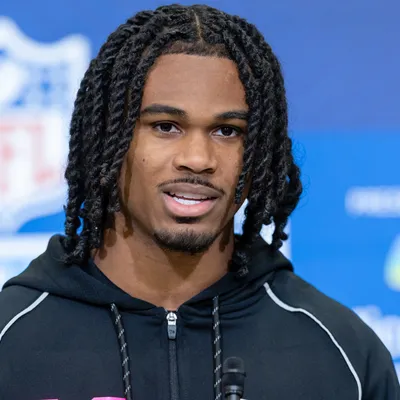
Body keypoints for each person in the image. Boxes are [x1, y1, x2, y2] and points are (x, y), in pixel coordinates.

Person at [0, 4, 398, 400]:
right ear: (108, 140)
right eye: (165, 126)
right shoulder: (11, 337)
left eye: (227, 131)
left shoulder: (343, 354)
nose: (197, 159)